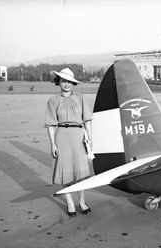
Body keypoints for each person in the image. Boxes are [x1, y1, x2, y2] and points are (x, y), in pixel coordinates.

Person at [45, 68, 93, 217]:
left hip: (78, 136)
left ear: (73, 83)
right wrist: (53, 144)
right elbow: (51, 124)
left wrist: (90, 139)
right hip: (62, 137)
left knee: (81, 171)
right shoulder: (53, 101)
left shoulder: (80, 98)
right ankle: (70, 202)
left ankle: (82, 202)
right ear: (58, 82)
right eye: (63, 81)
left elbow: (87, 120)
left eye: (69, 81)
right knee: (65, 171)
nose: (66, 84)